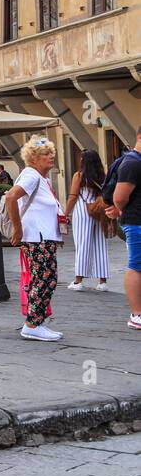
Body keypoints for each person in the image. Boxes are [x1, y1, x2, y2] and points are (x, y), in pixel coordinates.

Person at [5, 136, 66, 341]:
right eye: (45, 154)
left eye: (51, 153)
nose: (51, 157)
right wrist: (18, 229)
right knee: (45, 279)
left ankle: (35, 322)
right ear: (34, 158)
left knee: (44, 278)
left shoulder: (41, 178)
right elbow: (12, 196)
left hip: (41, 236)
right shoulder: (31, 175)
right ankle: (32, 324)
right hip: (36, 237)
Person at [104, 126, 141, 330]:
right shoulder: (132, 162)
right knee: (137, 266)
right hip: (136, 222)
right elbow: (119, 197)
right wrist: (119, 210)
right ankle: (137, 314)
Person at [65, 149, 109, 292]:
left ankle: (78, 280)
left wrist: (65, 213)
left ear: (84, 161)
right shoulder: (103, 175)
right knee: (100, 245)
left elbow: (73, 196)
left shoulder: (79, 176)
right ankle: (103, 282)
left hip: (82, 209)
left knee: (82, 243)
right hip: (99, 210)